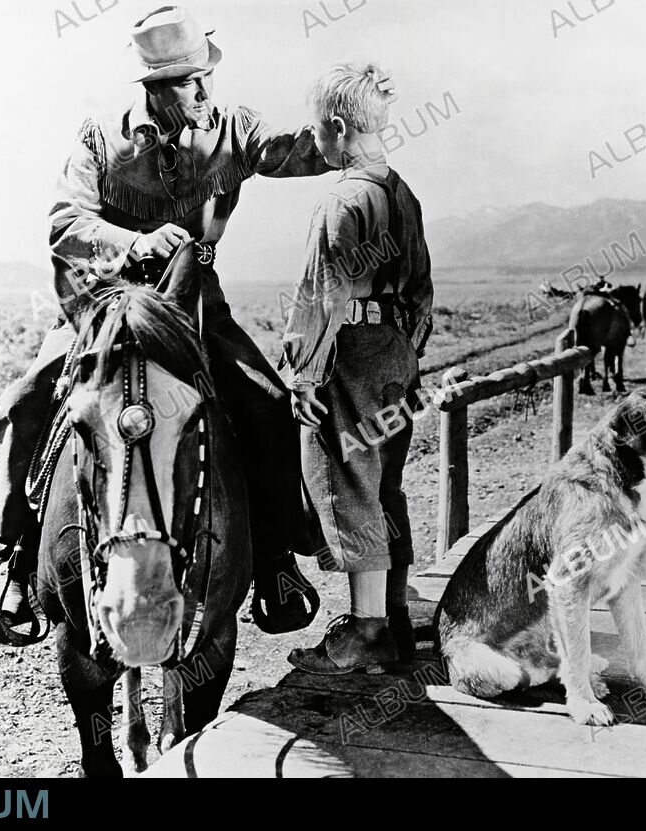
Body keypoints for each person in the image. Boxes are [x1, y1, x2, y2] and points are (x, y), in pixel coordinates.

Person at [0, 6, 330, 645]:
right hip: (101, 307)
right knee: (26, 402)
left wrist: (344, 138)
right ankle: (13, 555)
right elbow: (64, 224)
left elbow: (293, 151)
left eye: (204, 78)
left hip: (193, 304)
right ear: (154, 89)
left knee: (267, 400)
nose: (205, 93)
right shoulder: (98, 138)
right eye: (190, 82)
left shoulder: (231, 127)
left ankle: (278, 557)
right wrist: (131, 242)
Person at [281, 62, 434, 675]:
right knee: (385, 481)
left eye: (318, 134)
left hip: (352, 351)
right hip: (394, 348)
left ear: (339, 129)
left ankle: (366, 632)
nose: (315, 144)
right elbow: (422, 289)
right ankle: (392, 615)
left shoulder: (341, 199)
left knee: (344, 479)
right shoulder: (403, 193)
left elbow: (321, 297)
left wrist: (305, 374)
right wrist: (409, 349)